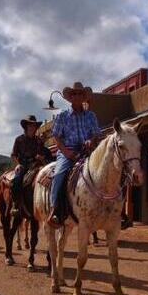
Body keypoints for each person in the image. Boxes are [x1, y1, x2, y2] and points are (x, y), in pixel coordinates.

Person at [48, 82, 101, 226]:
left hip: (87, 151)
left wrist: (91, 140)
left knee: (104, 170)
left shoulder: (91, 116)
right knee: (59, 174)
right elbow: (57, 137)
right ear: (70, 97)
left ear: (84, 97)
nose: (77, 96)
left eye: (80, 94)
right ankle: (55, 210)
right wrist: (67, 153)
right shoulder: (62, 116)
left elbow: (97, 134)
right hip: (67, 151)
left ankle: (112, 210)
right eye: (74, 94)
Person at [10, 115, 51, 213]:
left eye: (34, 125)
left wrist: (42, 157)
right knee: (17, 180)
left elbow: (43, 152)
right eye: (30, 125)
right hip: (24, 165)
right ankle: (16, 205)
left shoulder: (38, 141)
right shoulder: (19, 140)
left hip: (37, 164)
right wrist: (17, 164)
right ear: (26, 126)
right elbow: (14, 155)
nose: (32, 127)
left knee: (49, 177)